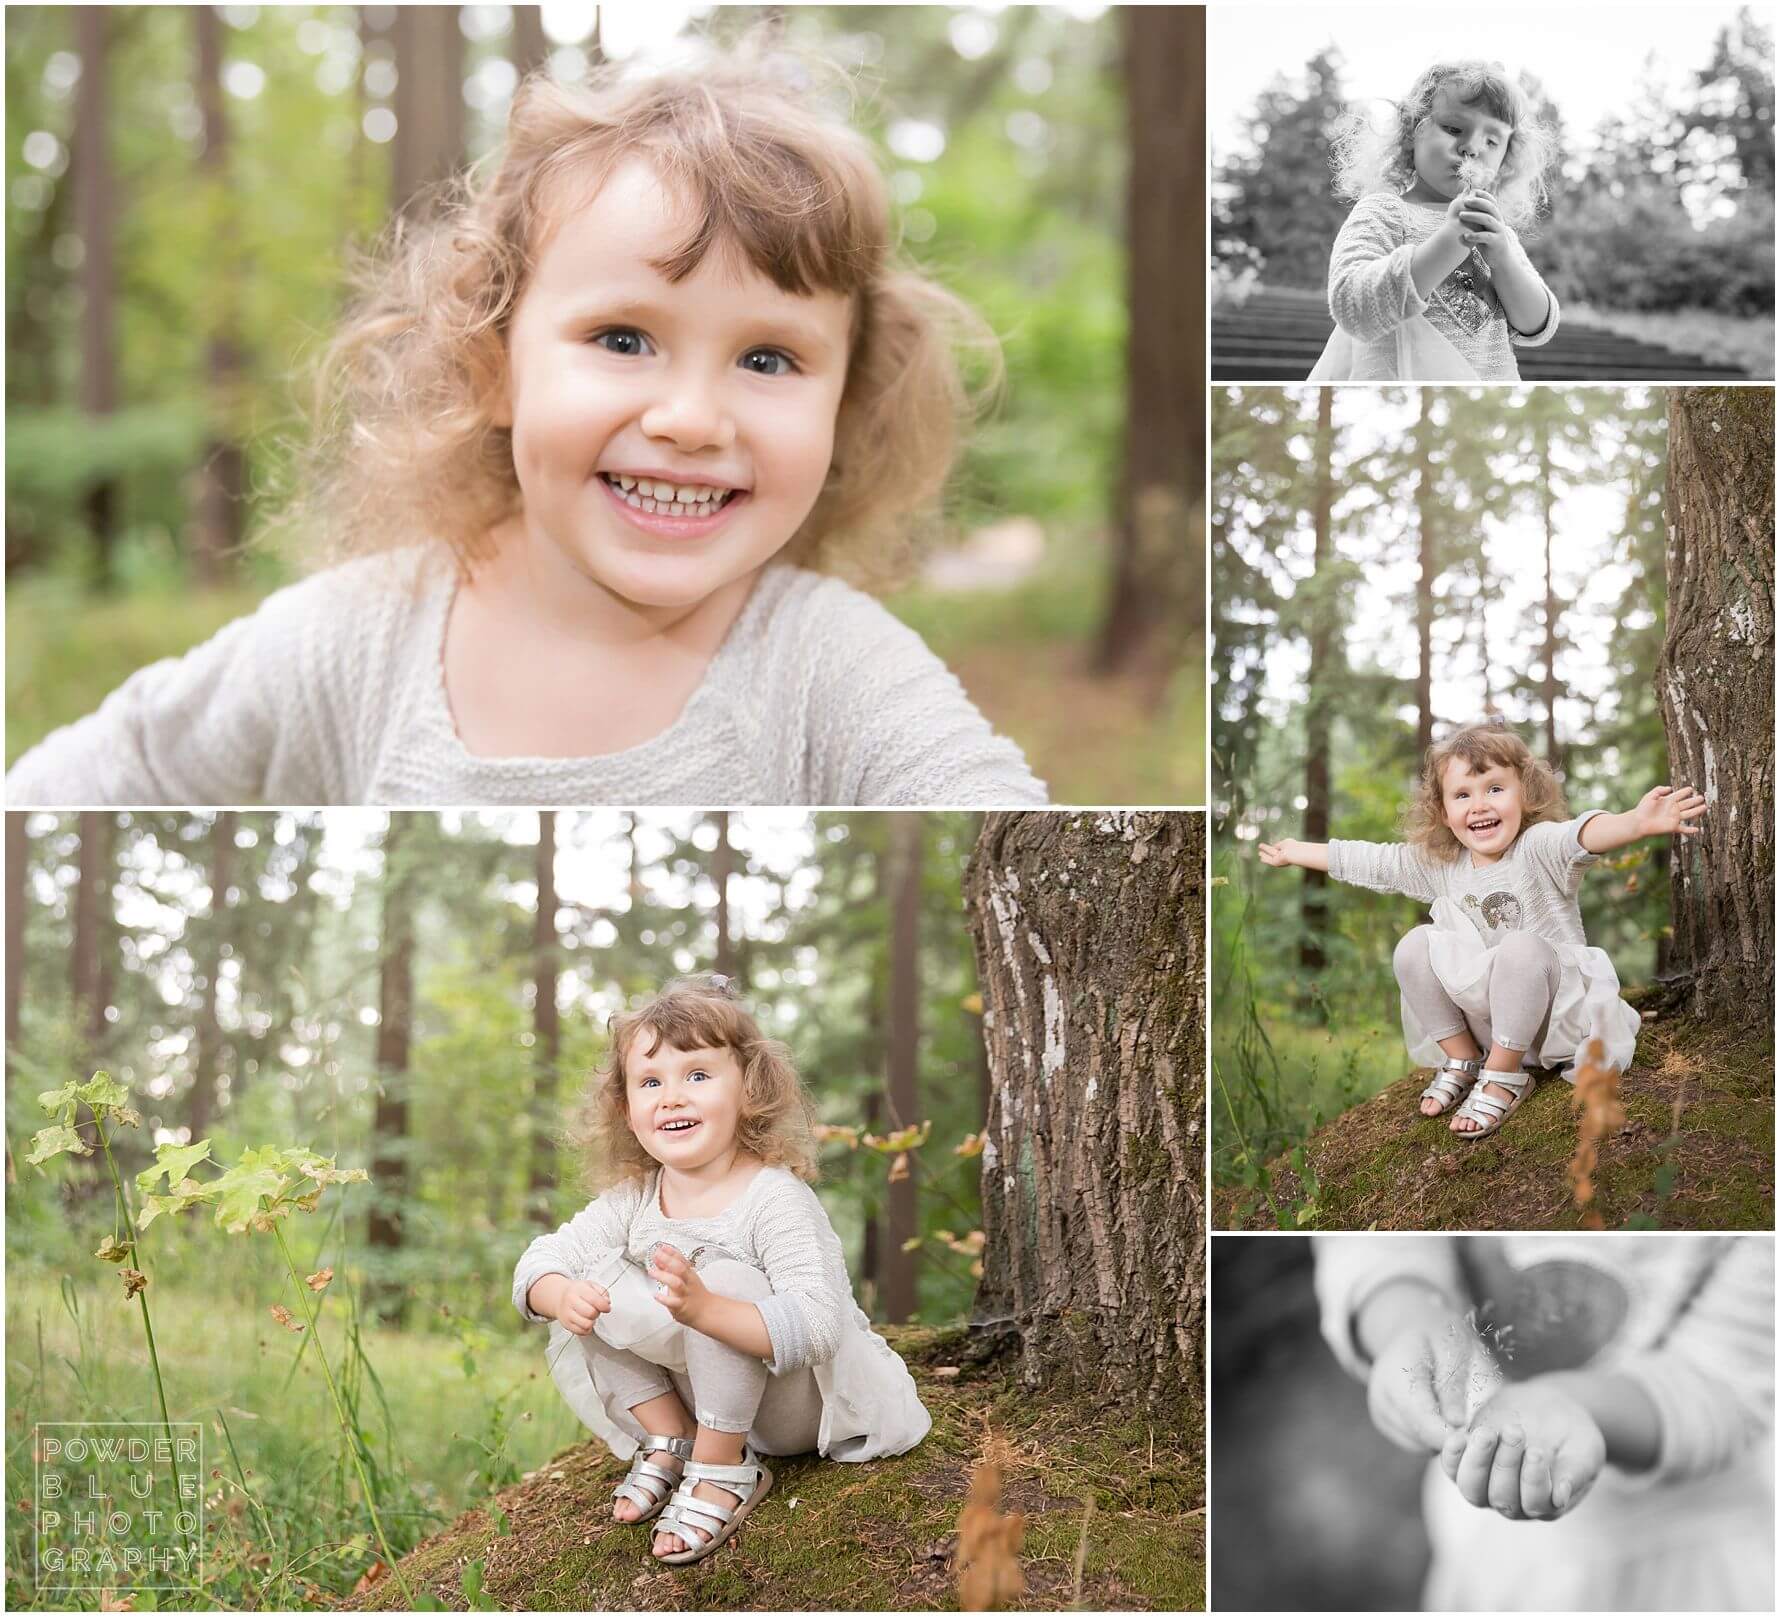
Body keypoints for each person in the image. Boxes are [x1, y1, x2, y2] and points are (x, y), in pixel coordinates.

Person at [6, 45, 1045, 808]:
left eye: (767, 359)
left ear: (844, 404)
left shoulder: (832, 671)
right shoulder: (351, 642)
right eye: (623, 338)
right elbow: (98, 775)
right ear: (491, 365)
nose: (688, 419)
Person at [512, 975, 928, 1565]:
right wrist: (558, 1296)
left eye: (698, 1076)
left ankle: (721, 1468)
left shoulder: (772, 1198)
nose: (672, 1097)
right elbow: (541, 1260)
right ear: (627, 1111)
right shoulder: (637, 1197)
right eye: (650, 1082)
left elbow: (818, 1324)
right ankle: (673, 1438)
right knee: (589, 1281)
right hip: (697, 1397)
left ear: (748, 1092)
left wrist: (708, 1309)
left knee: (729, 1281)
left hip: (788, 1408)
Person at [1259, 722, 1705, 1137]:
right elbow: (1373, 861)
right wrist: (1298, 850)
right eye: (1462, 795)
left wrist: (1634, 822)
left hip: (1555, 1024)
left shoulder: (1537, 848)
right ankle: (1464, 1059)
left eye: (1494, 788)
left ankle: (1505, 1076)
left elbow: (1581, 835)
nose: (1480, 805)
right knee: (1415, 945)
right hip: (1489, 1026)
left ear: (1524, 794)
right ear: (1443, 811)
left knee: (1522, 948)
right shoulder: (1442, 865)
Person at [1313, 1234, 1775, 1611]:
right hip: (1506, 1554)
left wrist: (1574, 1405)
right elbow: (1373, 1243)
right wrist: (1406, 1320)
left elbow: (1722, 1381)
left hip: (1693, 1555)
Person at [1309, 61, 1560, 381]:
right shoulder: (1384, 212)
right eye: (1455, 129)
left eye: (1492, 142)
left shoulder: (1496, 233)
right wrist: (1449, 241)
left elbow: (1537, 326)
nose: (1472, 147)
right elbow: (1352, 306)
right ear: (1414, 130)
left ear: (1505, 159)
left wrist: (1504, 261)